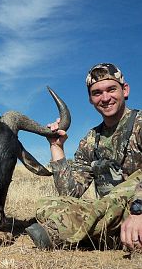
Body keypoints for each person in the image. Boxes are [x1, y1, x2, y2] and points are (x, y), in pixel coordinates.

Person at [26, 63, 142, 250]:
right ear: (90, 99)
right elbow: (70, 194)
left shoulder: (139, 123)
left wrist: (138, 211)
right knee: (49, 205)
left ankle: (72, 232)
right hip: (114, 217)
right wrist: (56, 147)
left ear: (125, 90)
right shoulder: (90, 141)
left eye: (111, 89)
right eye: (97, 93)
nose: (105, 98)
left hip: (138, 212)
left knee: (136, 180)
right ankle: (105, 234)